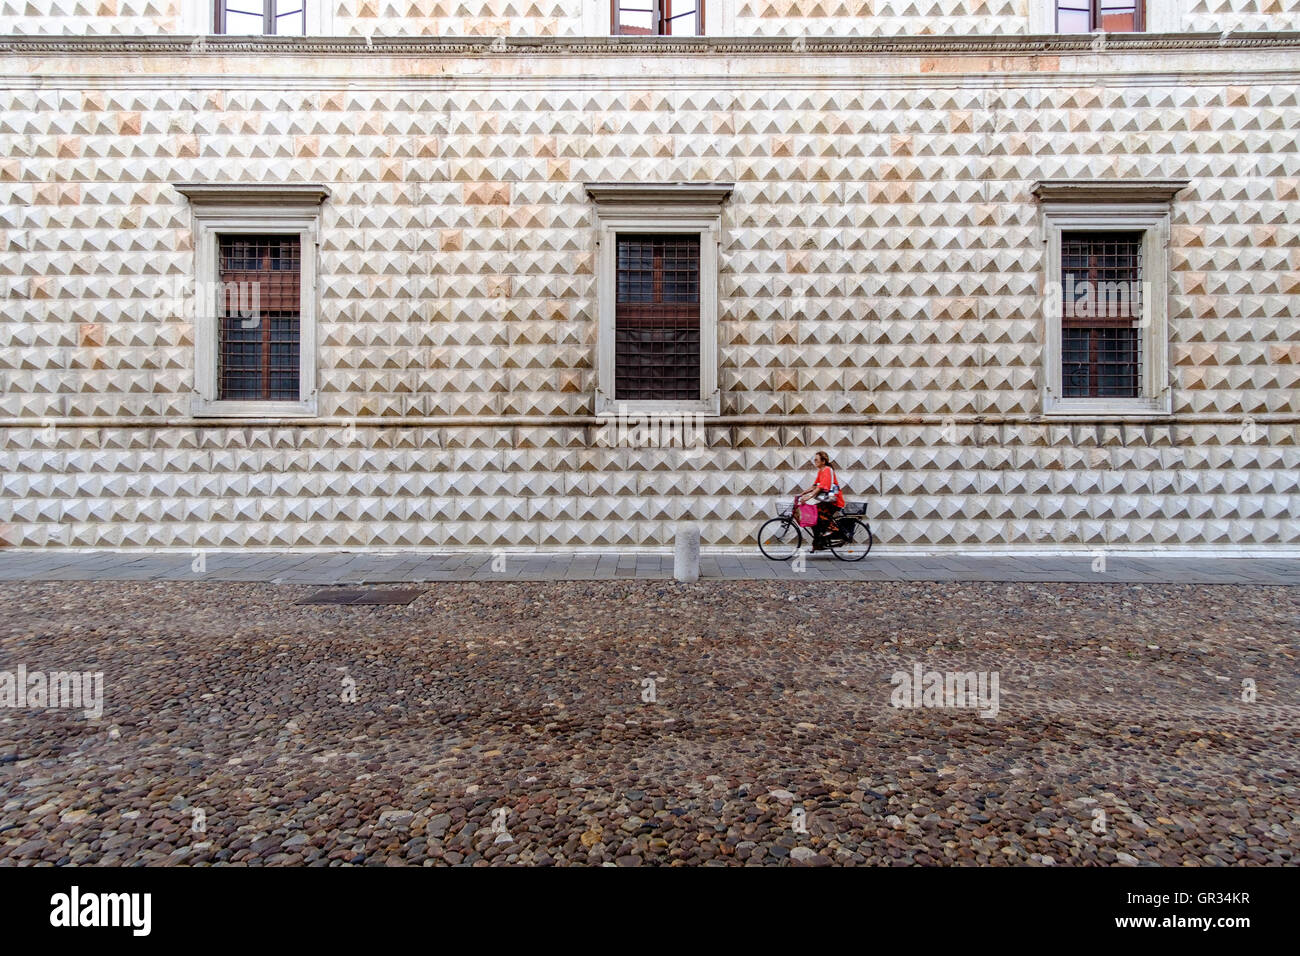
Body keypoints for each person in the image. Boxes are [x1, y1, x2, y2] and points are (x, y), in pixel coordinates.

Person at [796, 451, 845, 550]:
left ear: (823, 461)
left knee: (818, 513)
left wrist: (808, 497)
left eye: (816, 460)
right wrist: (803, 493)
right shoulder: (821, 471)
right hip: (828, 500)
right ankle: (819, 542)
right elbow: (815, 486)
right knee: (814, 517)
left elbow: (821, 487)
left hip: (834, 501)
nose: (815, 462)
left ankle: (832, 530)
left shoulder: (827, 470)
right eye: (814, 460)